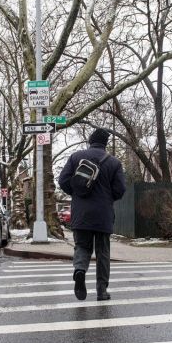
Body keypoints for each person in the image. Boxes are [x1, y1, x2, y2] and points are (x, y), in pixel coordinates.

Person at [57, 128, 126, 301]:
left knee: (82, 246)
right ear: (105, 143)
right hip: (103, 214)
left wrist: (77, 193)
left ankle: (80, 270)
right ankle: (101, 291)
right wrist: (107, 197)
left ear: (90, 140)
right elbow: (120, 190)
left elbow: (63, 180)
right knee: (102, 252)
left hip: (81, 214)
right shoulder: (114, 163)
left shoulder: (75, 157)